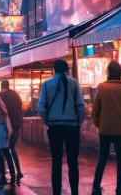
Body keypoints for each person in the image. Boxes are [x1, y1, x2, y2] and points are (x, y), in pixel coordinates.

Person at [39, 60, 85, 195]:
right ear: (67, 70)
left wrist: (47, 121)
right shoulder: (74, 83)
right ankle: (74, 192)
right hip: (72, 127)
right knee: (73, 162)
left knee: (56, 162)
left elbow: (41, 107)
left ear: (54, 70)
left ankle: (56, 193)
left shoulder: (47, 84)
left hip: (54, 127)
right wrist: (78, 123)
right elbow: (81, 107)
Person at [91, 61, 121, 195]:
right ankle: (119, 191)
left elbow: (95, 111)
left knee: (102, 159)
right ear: (120, 74)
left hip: (105, 130)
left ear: (108, 73)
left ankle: (96, 188)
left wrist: (99, 125)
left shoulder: (102, 87)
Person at [0, 80, 24, 181]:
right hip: (16, 125)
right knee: (12, 149)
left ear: (2, 87)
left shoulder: (2, 95)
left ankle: (7, 171)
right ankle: (18, 171)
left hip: (7, 126)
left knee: (4, 149)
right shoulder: (16, 94)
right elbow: (20, 106)